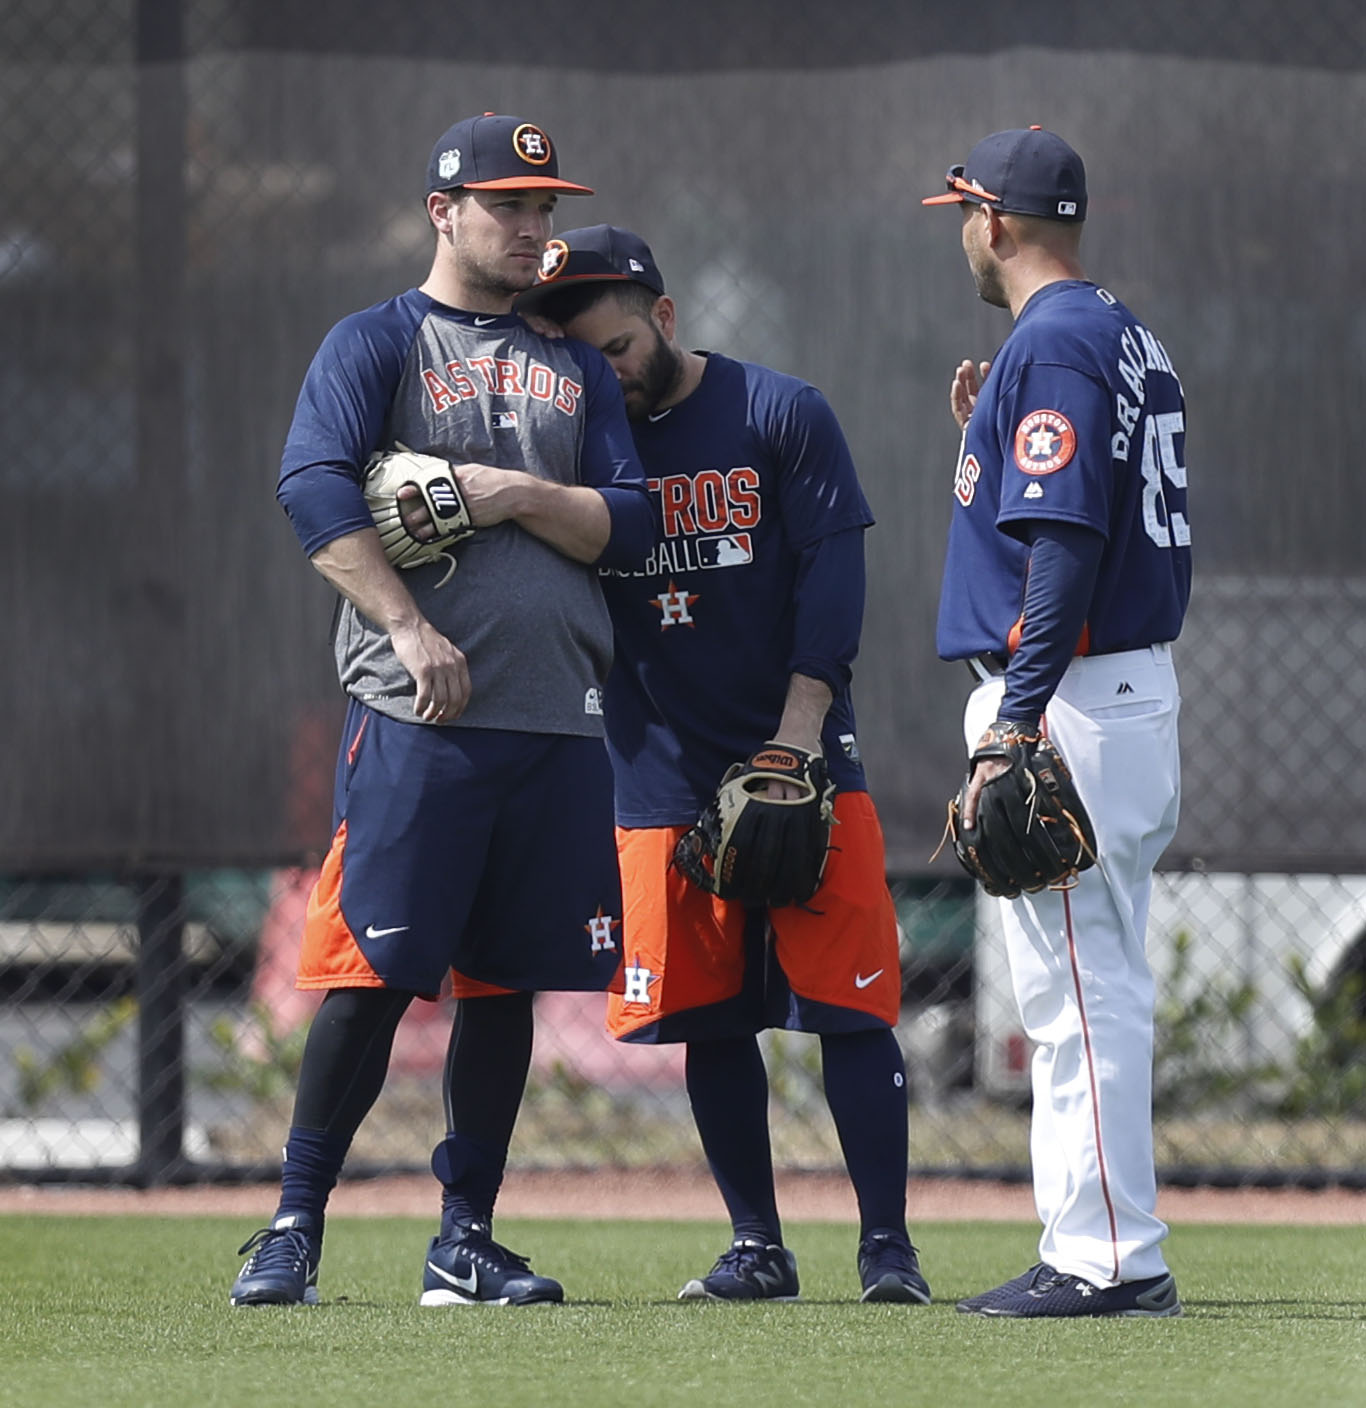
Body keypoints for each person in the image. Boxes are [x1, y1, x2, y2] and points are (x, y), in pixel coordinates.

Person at [229, 114, 653, 1308]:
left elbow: (629, 522)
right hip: (420, 713)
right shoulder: (377, 342)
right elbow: (311, 484)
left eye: (544, 209)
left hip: (557, 718)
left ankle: (464, 1238)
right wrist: (411, 630)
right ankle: (292, 1226)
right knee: (374, 970)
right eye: (508, 206)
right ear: (443, 212)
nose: (531, 229)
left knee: (506, 982)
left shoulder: (572, 368)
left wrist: (511, 491)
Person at [511, 225, 930, 1304]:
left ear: (664, 316)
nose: (595, 373)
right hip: (656, 766)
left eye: (608, 348)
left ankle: (888, 1249)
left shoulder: (778, 412)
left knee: (851, 1006)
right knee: (710, 1018)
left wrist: (794, 742)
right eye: (572, 357)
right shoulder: (568, 452)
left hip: (800, 755)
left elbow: (832, 593)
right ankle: (757, 1245)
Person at [922, 127, 1191, 1318]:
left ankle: (1107, 1259)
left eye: (961, 213)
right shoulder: (1114, 332)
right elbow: (1066, 513)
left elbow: (1068, 548)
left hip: (1071, 694)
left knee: (1080, 996)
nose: (960, 234)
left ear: (993, 222)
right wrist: (983, 439)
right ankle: (1098, 1244)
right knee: (1089, 988)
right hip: (1110, 689)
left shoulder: (1060, 342)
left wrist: (1010, 723)